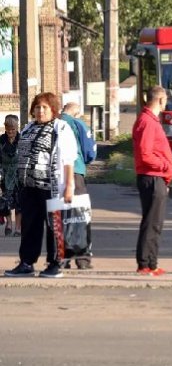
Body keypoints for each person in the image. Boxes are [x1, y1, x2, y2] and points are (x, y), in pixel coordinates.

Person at [4, 93, 77, 278]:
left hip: (51, 187)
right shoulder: (28, 128)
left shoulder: (60, 128)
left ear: (53, 109)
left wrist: (69, 186)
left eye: (44, 107)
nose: (40, 111)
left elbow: (69, 160)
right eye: (37, 107)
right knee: (29, 225)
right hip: (29, 187)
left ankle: (55, 264)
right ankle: (27, 262)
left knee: (54, 225)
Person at [134, 86, 172, 276]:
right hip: (152, 176)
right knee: (152, 222)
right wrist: (164, 166)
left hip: (156, 177)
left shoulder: (149, 120)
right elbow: (145, 154)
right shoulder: (148, 122)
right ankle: (145, 263)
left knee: (155, 222)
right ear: (160, 100)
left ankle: (151, 262)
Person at [60, 102, 96, 269]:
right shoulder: (78, 123)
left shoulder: (54, 122)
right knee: (80, 216)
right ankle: (82, 259)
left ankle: (62, 258)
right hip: (76, 171)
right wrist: (85, 161)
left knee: (60, 216)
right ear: (76, 112)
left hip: (56, 174)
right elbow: (90, 151)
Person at [1, 114, 20, 237]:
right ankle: (8, 223)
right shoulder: (1, 140)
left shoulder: (22, 139)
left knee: (19, 202)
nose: (10, 132)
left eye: (13, 129)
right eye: (8, 130)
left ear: (17, 128)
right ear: (5, 128)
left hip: (19, 174)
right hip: (5, 173)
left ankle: (18, 228)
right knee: (5, 201)